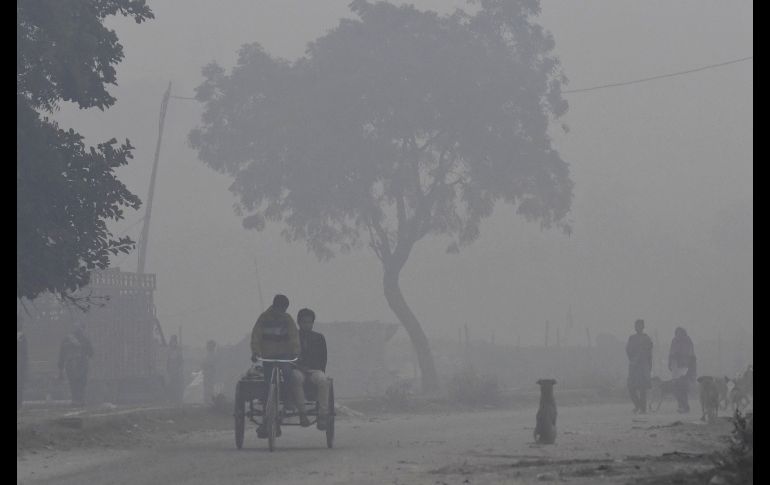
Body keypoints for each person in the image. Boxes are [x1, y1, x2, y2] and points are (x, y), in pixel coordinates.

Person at [251, 294, 305, 433]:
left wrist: (296, 352)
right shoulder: (263, 318)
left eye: (284, 309)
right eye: (281, 309)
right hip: (268, 355)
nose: (282, 312)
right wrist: (255, 352)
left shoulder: (287, 319)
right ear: (275, 306)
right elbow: (256, 336)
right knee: (267, 383)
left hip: (283, 355)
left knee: (287, 373)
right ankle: (267, 414)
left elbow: (294, 337)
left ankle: (287, 400)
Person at [292, 308, 331, 430]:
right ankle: (302, 414)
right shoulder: (293, 337)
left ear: (313, 323)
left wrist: (317, 369)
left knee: (323, 380)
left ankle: (323, 415)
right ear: (299, 322)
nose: (307, 325)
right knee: (296, 378)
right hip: (298, 369)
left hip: (314, 370)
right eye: (304, 322)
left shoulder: (319, 337)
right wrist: (299, 366)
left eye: (309, 322)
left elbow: (323, 358)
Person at [58, 322, 94, 406]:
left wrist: (60, 368)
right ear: (83, 329)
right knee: (81, 383)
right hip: (82, 364)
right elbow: (91, 353)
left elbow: (62, 354)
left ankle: (75, 400)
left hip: (70, 364)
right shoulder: (85, 339)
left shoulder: (67, 339)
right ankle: (80, 400)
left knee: (73, 383)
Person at [626, 319, 653, 414]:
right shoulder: (632, 338)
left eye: (639, 325)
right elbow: (628, 351)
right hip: (634, 366)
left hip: (643, 366)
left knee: (642, 388)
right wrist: (633, 360)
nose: (637, 327)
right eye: (636, 325)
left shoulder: (646, 338)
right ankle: (638, 405)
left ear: (643, 327)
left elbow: (649, 353)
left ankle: (643, 409)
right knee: (631, 387)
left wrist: (649, 365)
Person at [668, 327, 696, 413]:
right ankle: (681, 405)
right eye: (677, 333)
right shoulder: (674, 341)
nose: (678, 335)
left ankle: (684, 406)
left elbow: (691, 355)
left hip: (684, 367)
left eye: (680, 333)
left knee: (682, 387)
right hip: (675, 366)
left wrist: (690, 367)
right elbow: (671, 353)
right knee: (676, 387)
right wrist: (670, 363)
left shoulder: (687, 341)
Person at [166, 335, 184, 406]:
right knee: (171, 385)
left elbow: (180, 361)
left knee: (176, 385)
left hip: (176, 372)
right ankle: (171, 399)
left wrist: (177, 370)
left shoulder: (178, 351)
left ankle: (177, 400)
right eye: (172, 341)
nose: (173, 343)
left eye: (174, 341)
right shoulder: (169, 351)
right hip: (171, 372)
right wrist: (168, 370)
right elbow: (168, 362)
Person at [201, 340, 218, 405]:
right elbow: (204, 364)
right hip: (207, 373)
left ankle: (209, 400)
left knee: (209, 387)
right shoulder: (208, 355)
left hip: (210, 373)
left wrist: (206, 367)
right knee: (207, 387)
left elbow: (211, 364)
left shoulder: (212, 355)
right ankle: (207, 400)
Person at [17, 315, 28, 410]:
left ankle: (19, 403)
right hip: (19, 363)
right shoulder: (21, 336)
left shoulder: (22, 336)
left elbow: (25, 352)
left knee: (19, 383)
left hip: (20, 363)